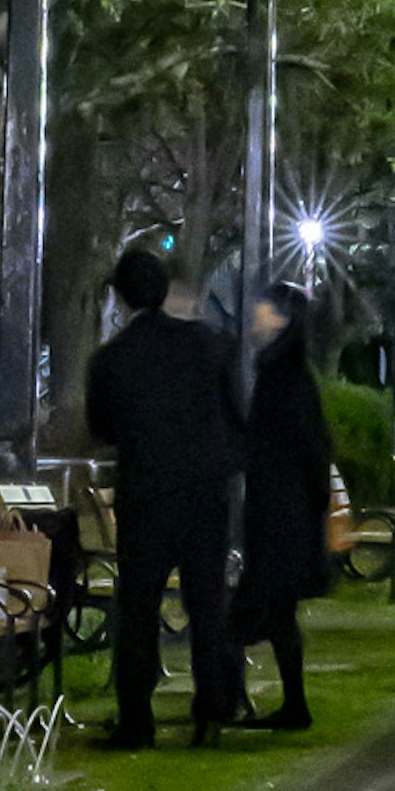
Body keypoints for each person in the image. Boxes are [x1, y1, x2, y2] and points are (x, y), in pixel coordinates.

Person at [85, 241, 241, 748]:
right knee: (207, 601)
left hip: (145, 491)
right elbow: (234, 414)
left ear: (124, 298)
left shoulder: (111, 361)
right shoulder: (213, 345)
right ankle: (213, 705)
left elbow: (102, 428)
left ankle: (136, 719)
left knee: (138, 606)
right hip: (203, 491)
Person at [232, 284, 333, 731]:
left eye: (262, 311)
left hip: (278, 518)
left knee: (244, 617)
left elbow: (300, 449)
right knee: (276, 616)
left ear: (281, 319)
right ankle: (290, 705)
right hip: (287, 517)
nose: (254, 318)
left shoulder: (281, 377)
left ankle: (226, 704)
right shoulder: (290, 373)